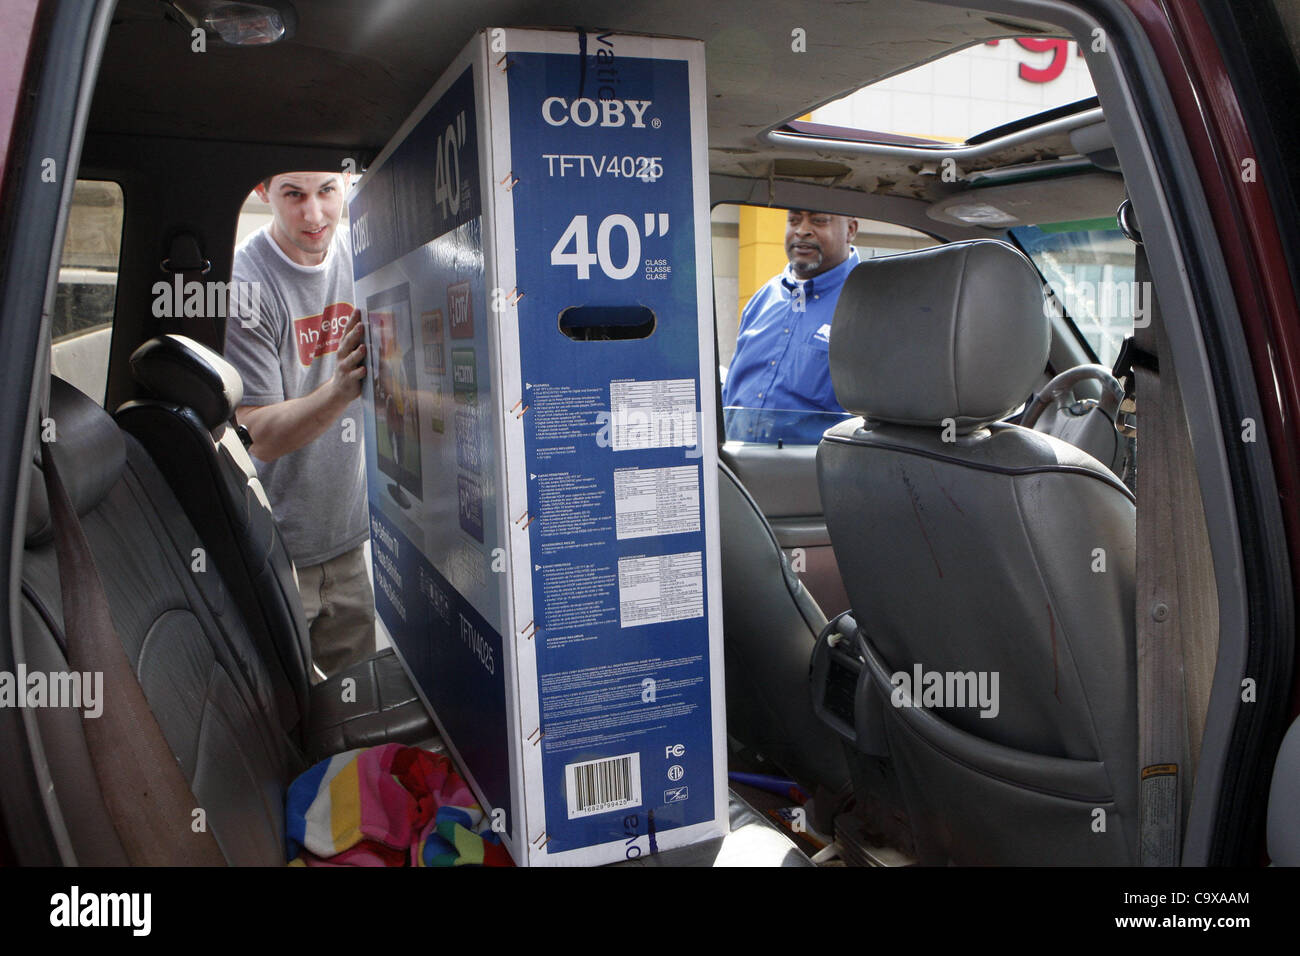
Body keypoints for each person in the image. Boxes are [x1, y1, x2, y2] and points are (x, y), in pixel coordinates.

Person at [224, 170, 374, 680]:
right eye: (294, 196)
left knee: (353, 709)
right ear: (263, 191)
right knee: (282, 712)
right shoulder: (246, 285)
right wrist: (339, 391)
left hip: (350, 541)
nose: (314, 215)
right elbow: (257, 435)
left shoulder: (363, 258)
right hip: (277, 551)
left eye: (326, 192)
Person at [722, 209, 860, 439]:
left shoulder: (868, 304)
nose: (802, 231)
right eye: (793, 220)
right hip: (734, 465)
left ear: (851, 229)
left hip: (812, 472)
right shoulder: (763, 299)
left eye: (818, 221)